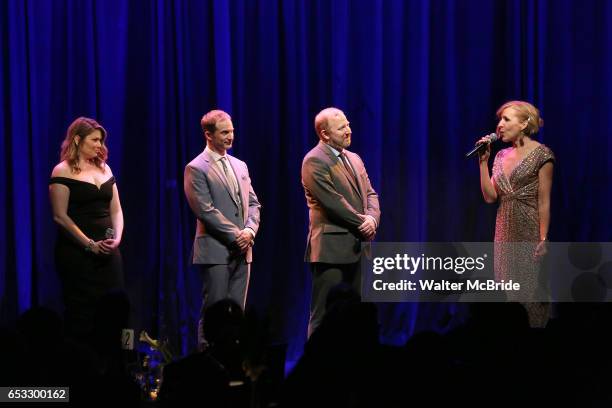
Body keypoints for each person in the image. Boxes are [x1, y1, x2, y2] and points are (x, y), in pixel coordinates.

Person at [184, 109, 261, 347]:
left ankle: (232, 364)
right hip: (216, 249)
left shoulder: (240, 165)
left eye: (232, 131)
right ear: (208, 134)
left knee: (237, 313)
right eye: (224, 132)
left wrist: (249, 232)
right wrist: (235, 235)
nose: (230, 136)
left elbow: (253, 203)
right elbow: (205, 210)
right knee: (214, 312)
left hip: (243, 250)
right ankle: (207, 367)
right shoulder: (196, 167)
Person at [301, 107, 381, 336]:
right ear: (325, 134)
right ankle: (316, 367)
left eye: (348, 125)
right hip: (331, 250)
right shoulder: (314, 160)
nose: (349, 131)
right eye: (341, 128)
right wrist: (362, 223)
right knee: (325, 313)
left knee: (357, 314)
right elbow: (332, 202)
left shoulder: (354, 159)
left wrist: (373, 220)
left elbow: (370, 194)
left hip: (358, 247)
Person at [477, 100, 555, 327]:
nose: (499, 125)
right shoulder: (500, 157)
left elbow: (544, 201)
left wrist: (542, 238)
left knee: (528, 292)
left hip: (529, 230)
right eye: (499, 120)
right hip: (504, 231)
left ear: (523, 124)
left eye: (506, 119)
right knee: (507, 291)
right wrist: (483, 162)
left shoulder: (542, 154)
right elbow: (491, 196)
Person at [49, 117, 124, 341]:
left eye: (101, 141)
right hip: (78, 254)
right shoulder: (62, 171)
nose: (100, 145)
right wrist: (90, 245)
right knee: (82, 313)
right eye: (95, 140)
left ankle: (116, 365)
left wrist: (117, 239)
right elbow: (60, 216)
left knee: (115, 306)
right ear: (78, 139)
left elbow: (117, 211)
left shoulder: (105, 168)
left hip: (108, 253)